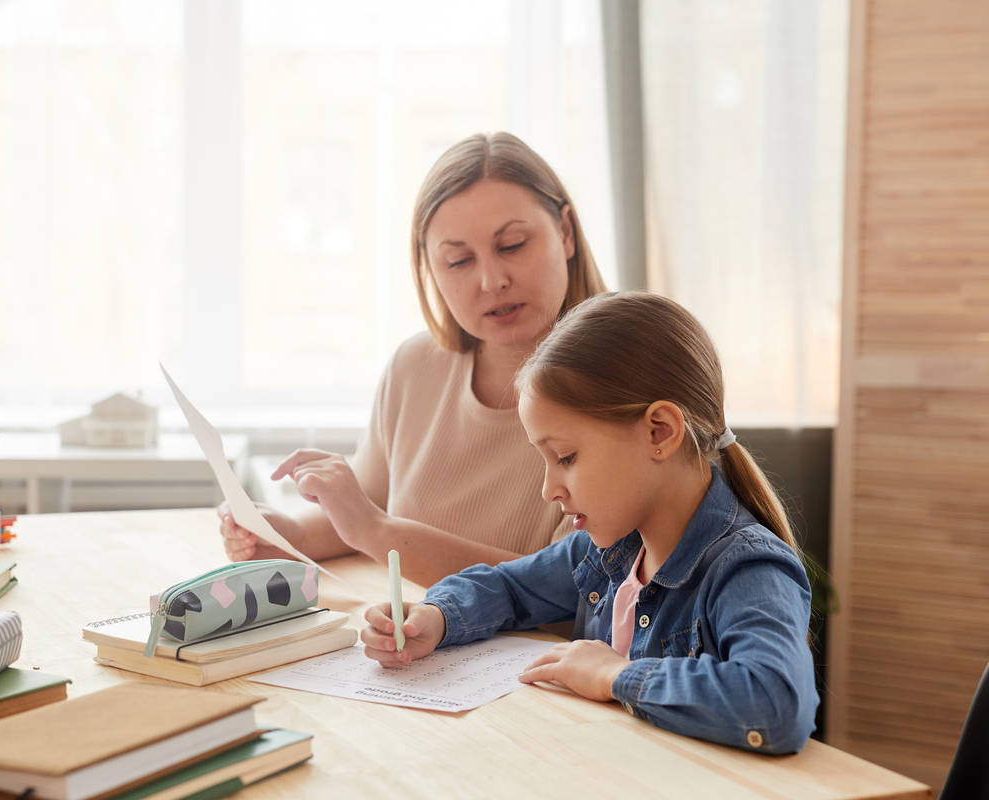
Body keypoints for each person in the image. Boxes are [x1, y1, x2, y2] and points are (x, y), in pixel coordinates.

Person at [360, 292, 819, 753]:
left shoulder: (749, 569)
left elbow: (775, 703)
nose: (549, 489)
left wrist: (614, 674)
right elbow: (510, 589)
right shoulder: (606, 551)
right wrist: (435, 618)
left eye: (565, 457)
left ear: (659, 431)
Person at [219, 132, 607, 586]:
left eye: (513, 245)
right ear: (429, 268)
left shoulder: (617, 387)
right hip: (409, 642)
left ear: (565, 232)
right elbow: (367, 511)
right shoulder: (416, 367)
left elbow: (573, 589)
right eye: (458, 260)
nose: (491, 280)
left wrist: (375, 530)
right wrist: (290, 535)